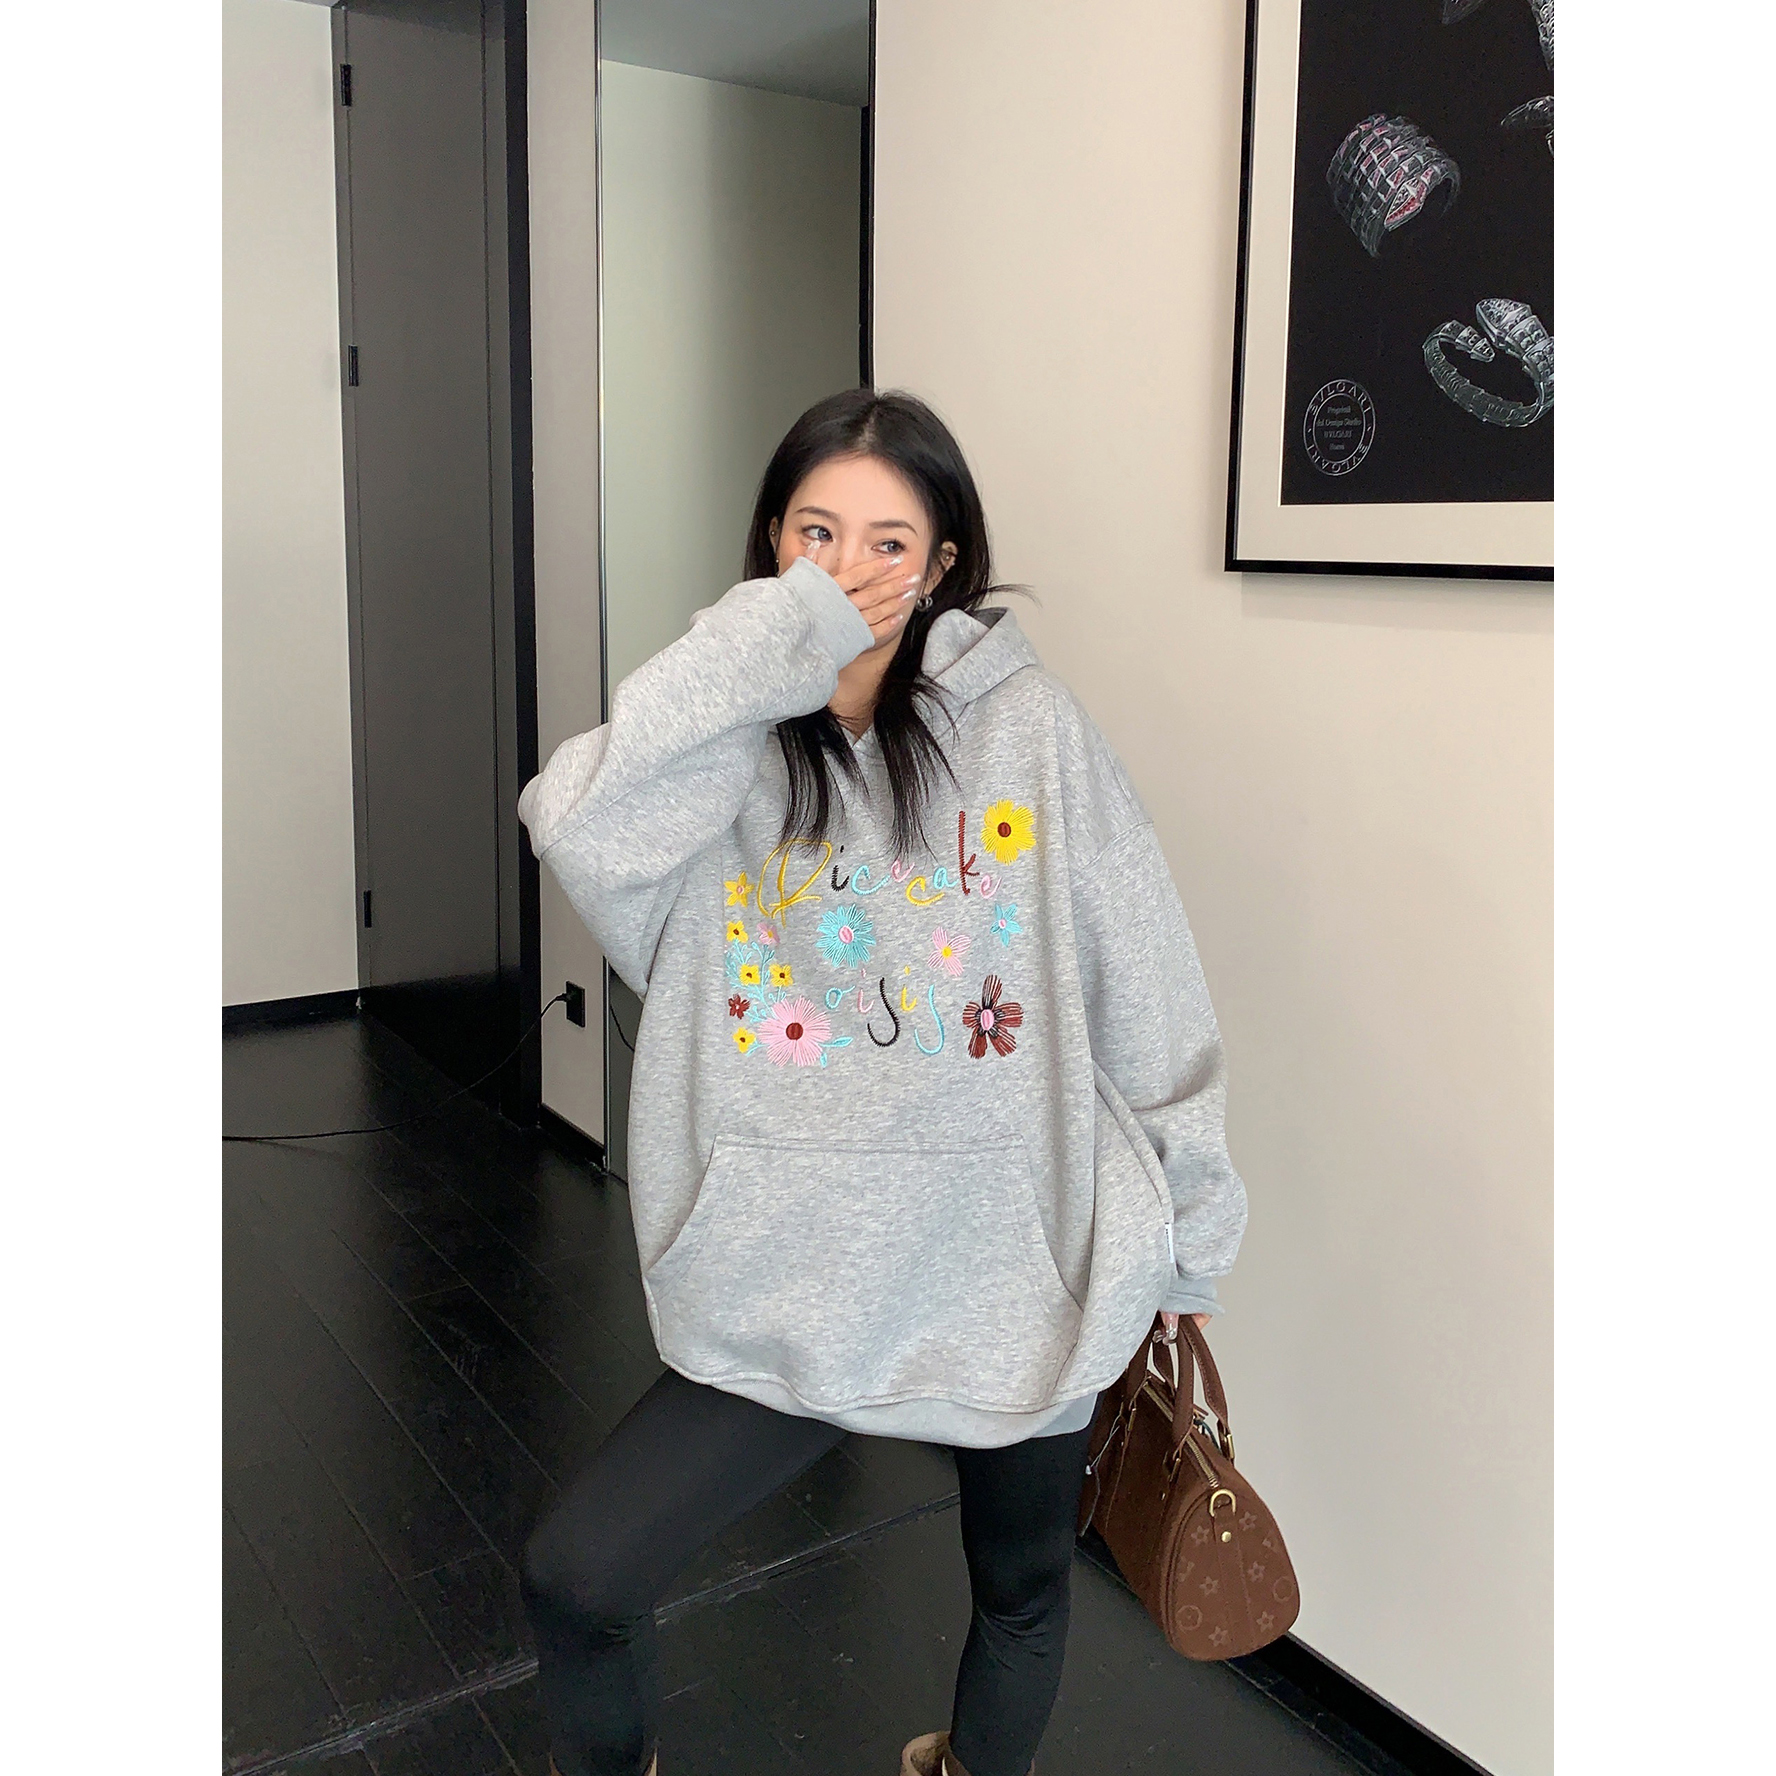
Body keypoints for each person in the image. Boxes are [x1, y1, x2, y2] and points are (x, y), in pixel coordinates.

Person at [516, 389, 1247, 1776]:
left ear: (944, 562)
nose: (848, 569)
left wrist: (1191, 1230)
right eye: (815, 533)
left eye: (887, 541)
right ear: (771, 544)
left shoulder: (1028, 728)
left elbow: (1148, 979)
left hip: (1012, 1265)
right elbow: (579, 820)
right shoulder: (724, 743)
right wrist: (767, 644)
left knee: (1022, 1591)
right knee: (578, 1576)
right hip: (788, 1268)